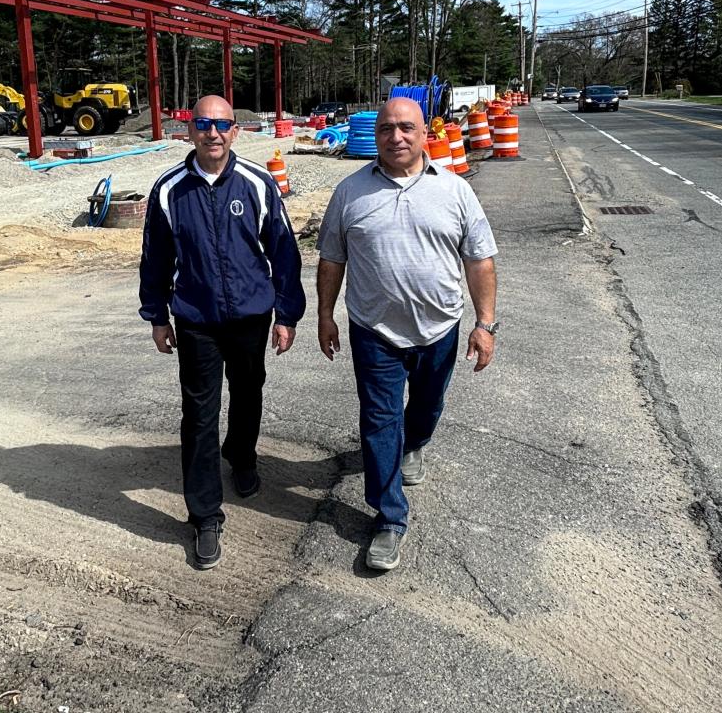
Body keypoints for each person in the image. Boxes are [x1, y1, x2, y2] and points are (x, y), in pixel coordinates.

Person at [316, 98, 498, 571]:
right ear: (374, 135)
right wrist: (325, 315)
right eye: (385, 129)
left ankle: (414, 444)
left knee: (426, 408)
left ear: (423, 133)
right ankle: (389, 516)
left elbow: (479, 260)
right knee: (379, 420)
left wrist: (484, 323)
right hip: (373, 331)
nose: (395, 137)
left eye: (406, 128)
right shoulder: (349, 192)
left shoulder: (456, 191)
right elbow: (332, 259)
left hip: (439, 329)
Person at [140, 94, 306, 570]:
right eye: (203, 124)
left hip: (252, 316)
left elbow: (284, 252)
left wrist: (287, 315)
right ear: (188, 130)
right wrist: (157, 316)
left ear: (236, 131)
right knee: (198, 415)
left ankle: (243, 455)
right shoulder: (170, 190)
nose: (213, 133)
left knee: (249, 391)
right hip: (196, 321)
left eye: (222, 125)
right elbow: (155, 259)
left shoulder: (257, 183)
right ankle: (205, 515)